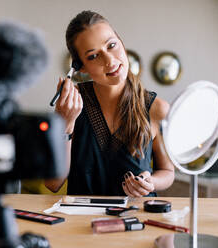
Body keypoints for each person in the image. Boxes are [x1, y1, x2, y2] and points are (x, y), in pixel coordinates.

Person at [45, 10, 174, 197]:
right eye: (93, 56)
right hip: (81, 223)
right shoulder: (69, 106)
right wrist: (66, 123)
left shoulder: (156, 108)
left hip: (136, 221)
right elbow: (52, 183)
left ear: (121, 42)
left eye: (112, 45)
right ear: (80, 67)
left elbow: (168, 172)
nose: (110, 60)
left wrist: (151, 182)